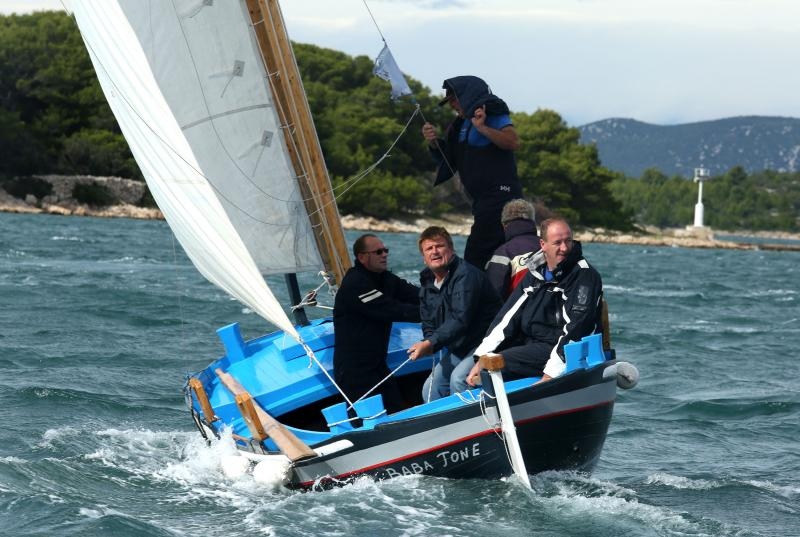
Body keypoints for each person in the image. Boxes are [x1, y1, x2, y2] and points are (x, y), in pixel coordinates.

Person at [454, 217, 603, 392]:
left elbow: (577, 326)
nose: (564, 248)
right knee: (462, 376)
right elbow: (508, 317)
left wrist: (551, 375)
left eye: (568, 241)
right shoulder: (535, 273)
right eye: (557, 243)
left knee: (490, 367)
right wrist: (481, 356)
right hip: (528, 344)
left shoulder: (584, 275)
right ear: (543, 244)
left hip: (557, 349)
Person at [421, 75, 522, 271]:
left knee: (475, 257)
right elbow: (448, 161)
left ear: (467, 96)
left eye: (454, 99)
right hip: (481, 203)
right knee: (490, 260)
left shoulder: (491, 113)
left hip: (502, 198)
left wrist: (482, 127)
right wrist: (433, 143)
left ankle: (472, 296)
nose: (451, 105)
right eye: (448, 101)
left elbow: (513, 142)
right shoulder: (458, 125)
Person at [407, 226, 502, 401]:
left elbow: (461, 318)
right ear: (424, 257)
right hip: (461, 347)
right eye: (429, 248)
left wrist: (430, 342)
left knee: (458, 380)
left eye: (440, 246)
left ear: (451, 250)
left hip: (484, 342)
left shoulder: (465, 275)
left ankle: (475, 424)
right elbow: (428, 320)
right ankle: (439, 426)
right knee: (431, 386)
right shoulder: (428, 282)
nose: (435, 252)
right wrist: (430, 343)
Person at [333, 234, 420, 413]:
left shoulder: (384, 278)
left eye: (385, 250)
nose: (384, 255)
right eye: (378, 251)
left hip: (377, 365)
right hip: (354, 371)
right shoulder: (355, 283)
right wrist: (433, 312)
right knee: (367, 418)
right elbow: (391, 309)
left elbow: (414, 294)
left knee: (396, 410)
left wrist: (444, 299)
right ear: (362, 257)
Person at [485, 199, 540, 299]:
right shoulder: (549, 246)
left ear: (504, 225)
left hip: (518, 313)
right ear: (532, 221)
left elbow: (493, 295)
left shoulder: (503, 253)